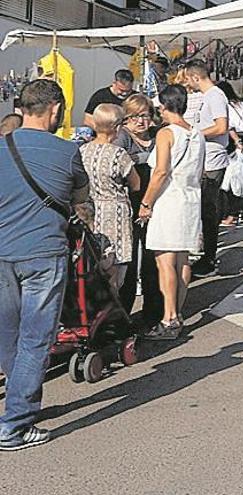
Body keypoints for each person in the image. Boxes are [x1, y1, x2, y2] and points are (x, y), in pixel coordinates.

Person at [0, 79, 90, 450]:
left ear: (21, 108)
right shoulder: (67, 152)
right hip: (43, 254)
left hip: (2, 252)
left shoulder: (1, 146)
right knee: (36, 339)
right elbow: (82, 202)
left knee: (8, 333)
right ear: (54, 109)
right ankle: (14, 425)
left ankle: (17, 401)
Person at [138, 84, 206, 341]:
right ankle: (177, 312)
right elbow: (199, 172)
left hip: (169, 199)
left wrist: (146, 203)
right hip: (190, 198)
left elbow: (161, 171)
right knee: (182, 259)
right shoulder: (197, 133)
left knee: (164, 260)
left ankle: (169, 318)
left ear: (165, 106)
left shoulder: (166, 133)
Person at [79, 103, 140, 290]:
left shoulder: (82, 151)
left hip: (90, 211)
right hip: (115, 211)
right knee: (116, 265)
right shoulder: (118, 154)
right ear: (117, 127)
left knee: (96, 262)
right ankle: (113, 311)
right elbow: (136, 184)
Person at [114, 94, 162, 323]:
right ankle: (123, 313)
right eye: (135, 117)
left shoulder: (158, 135)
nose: (141, 121)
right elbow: (120, 161)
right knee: (129, 260)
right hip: (131, 204)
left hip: (155, 201)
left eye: (145, 115)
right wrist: (146, 158)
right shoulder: (121, 137)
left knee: (153, 257)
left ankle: (154, 311)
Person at [183, 59, 229, 278]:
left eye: (187, 79)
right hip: (205, 159)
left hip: (213, 161)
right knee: (203, 209)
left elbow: (221, 126)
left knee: (208, 210)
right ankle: (204, 254)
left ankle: (209, 258)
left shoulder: (215, 95)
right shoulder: (207, 96)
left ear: (194, 77)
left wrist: (195, 134)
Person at [216, 80, 243, 226]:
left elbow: (228, 126)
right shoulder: (242, 104)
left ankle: (232, 214)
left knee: (231, 179)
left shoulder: (224, 106)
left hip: (234, 140)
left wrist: (237, 142)